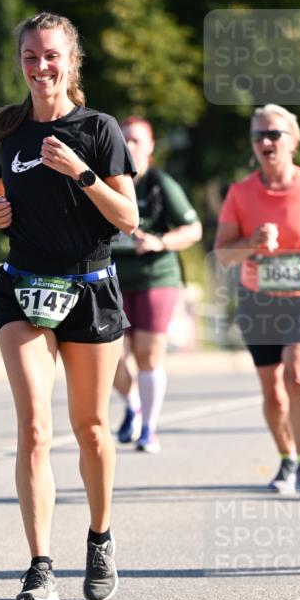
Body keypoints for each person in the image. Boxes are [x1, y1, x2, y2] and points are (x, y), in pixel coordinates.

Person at [0, 11, 138, 600]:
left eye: (51, 55)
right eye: (30, 55)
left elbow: (128, 218)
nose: (40, 66)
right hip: (24, 286)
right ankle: (39, 566)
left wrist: (82, 172)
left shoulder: (99, 129)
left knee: (91, 427)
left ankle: (99, 538)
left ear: (71, 61)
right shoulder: (6, 129)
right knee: (33, 427)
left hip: (90, 287)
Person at [214, 104, 300, 497]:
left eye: (274, 134)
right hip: (259, 301)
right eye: (258, 135)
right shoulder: (241, 193)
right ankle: (287, 459)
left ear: (293, 141)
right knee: (274, 392)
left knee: (298, 375)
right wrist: (252, 242)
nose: (265, 141)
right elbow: (223, 253)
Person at [112, 116, 201, 454]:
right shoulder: (105, 182)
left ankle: (149, 428)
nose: (130, 146)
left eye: (137, 140)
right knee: (109, 357)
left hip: (156, 277)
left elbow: (193, 230)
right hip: (112, 280)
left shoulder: (160, 183)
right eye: (124, 139)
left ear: (150, 147)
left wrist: (159, 242)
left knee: (148, 355)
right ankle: (132, 405)